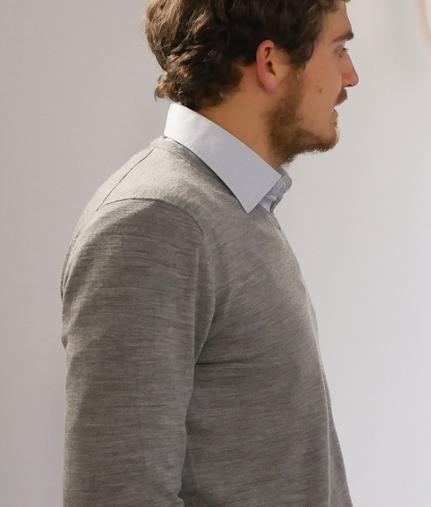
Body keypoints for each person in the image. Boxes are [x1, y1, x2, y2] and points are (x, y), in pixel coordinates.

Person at [60, 1, 359, 504]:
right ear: (271, 62)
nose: (350, 77)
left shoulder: (235, 204)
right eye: (339, 49)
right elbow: (116, 492)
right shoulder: (155, 222)